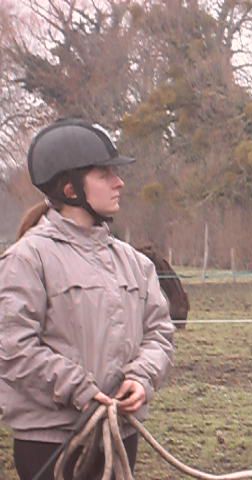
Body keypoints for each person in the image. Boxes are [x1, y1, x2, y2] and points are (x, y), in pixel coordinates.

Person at [0, 118, 176, 479]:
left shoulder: (135, 263)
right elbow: (12, 346)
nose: (119, 182)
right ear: (71, 189)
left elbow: (160, 333)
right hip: (50, 441)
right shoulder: (27, 260)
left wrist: (141, 377)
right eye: (104, 174)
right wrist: (79, 388)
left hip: (119, 433)